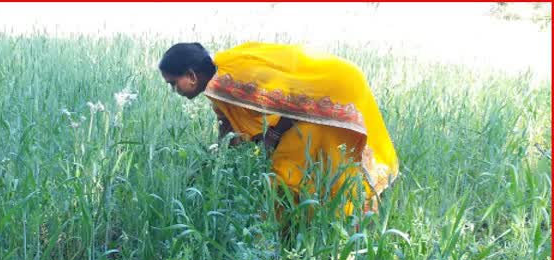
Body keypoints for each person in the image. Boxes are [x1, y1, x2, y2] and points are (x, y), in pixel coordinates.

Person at [159, 42, 399, 215]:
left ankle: (336, 220)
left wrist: (272, 135)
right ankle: (306, 226)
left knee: (289, 165)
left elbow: (295, 100)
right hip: (325, 90)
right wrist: (214, 162)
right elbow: (227, 127)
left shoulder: (230, 79)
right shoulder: (215, 83)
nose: (174, 91)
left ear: (191, 75)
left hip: (335, 88)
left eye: (173, 84)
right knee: (306, 164)